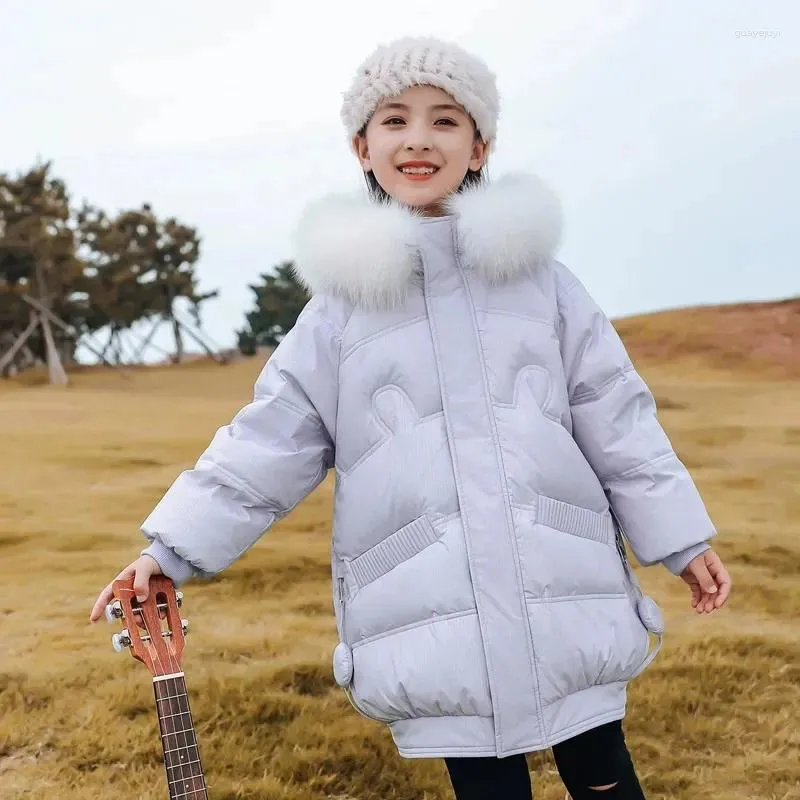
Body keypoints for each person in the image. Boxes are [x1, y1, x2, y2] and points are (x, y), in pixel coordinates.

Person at [90, 36, 732, 800]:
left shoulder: (546, 287)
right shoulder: (339, 312)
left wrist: (681, 538)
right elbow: (271, 438)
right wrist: (172, 547)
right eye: (394, 120)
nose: (419, 138)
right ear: (362, 148)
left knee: (604, 776)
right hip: (437, 616)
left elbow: (618, 418)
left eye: (446, 120)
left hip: (564, 591)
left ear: (480, 145)